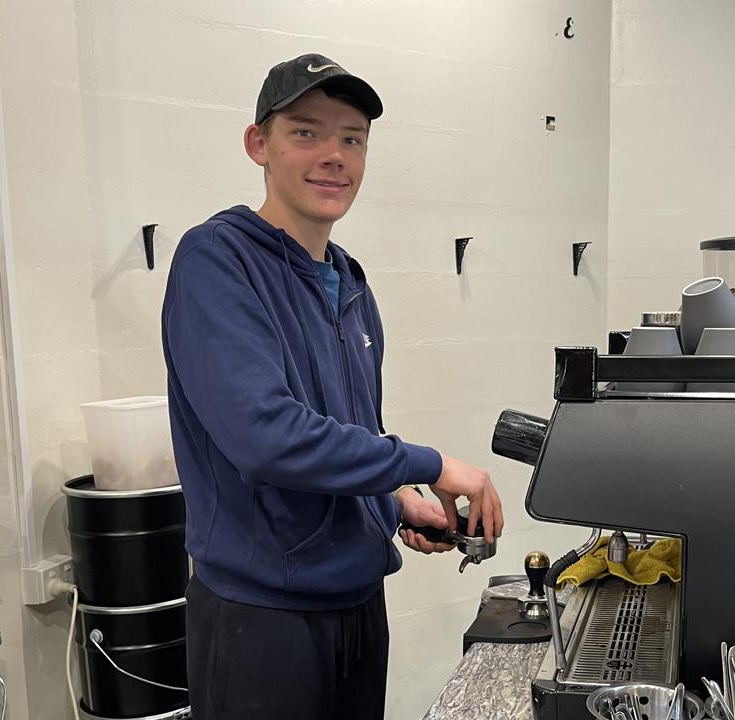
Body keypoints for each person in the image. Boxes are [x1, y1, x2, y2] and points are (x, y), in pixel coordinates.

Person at [161, 53, 504, 719]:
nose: (333, 156)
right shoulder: (217, 261)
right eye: (307, 132)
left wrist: (396, 500)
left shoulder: (348, 281)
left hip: (356, 604)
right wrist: (431, 466)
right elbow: (267, 438)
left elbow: (346, 427)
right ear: (259, 144)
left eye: (352, 138)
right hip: (262, 622)